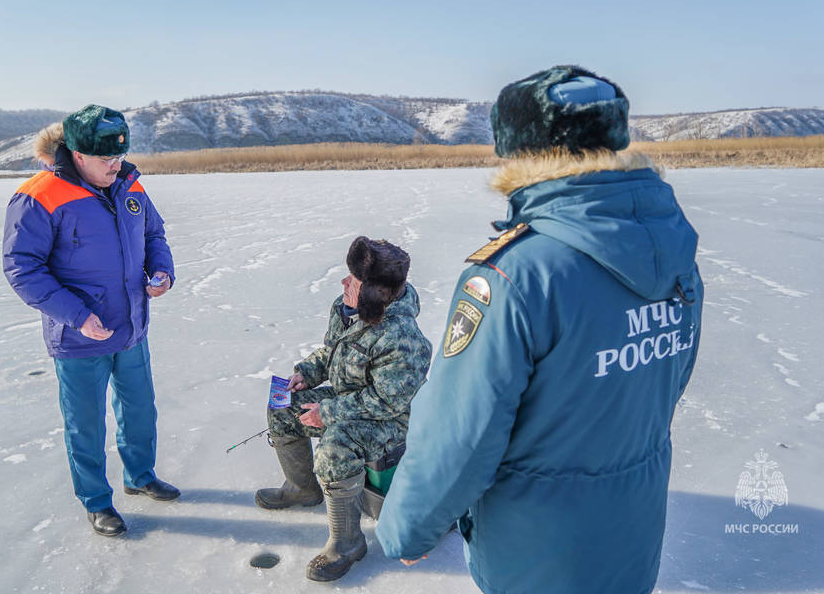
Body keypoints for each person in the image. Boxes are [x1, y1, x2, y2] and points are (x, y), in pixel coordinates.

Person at [376, 66, 704, 594]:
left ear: (521, 152)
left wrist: (408, 531)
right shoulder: (675, 256)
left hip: (536, 551)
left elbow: (461, 431)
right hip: (633, 532)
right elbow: (668, 382)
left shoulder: (515, 274)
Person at [2, 105, 180, 537]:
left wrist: (162, 272)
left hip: (132, 327)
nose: (115, 166)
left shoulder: (130, 185)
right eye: (106, 160)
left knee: (139, 410)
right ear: (78, 154)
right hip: (80, 337)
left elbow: (154, 235)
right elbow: (22, 267)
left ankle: (140, 475)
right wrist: (77, 316)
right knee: (85, 423)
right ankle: (97, 501)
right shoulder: (39, 196)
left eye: (120, 157)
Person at [256, 236, 432, 581]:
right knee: (282, 407)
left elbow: (388, 401)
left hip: (391, 420)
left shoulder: (402, 336)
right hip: (347, 401)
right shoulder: (345, 307)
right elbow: (330, 351)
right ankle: (302, 488)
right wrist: (305, 373)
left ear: (374, 293)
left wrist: (330, 412)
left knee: (338, 442)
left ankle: (348, 542)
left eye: (354, 281)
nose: (344, 283)